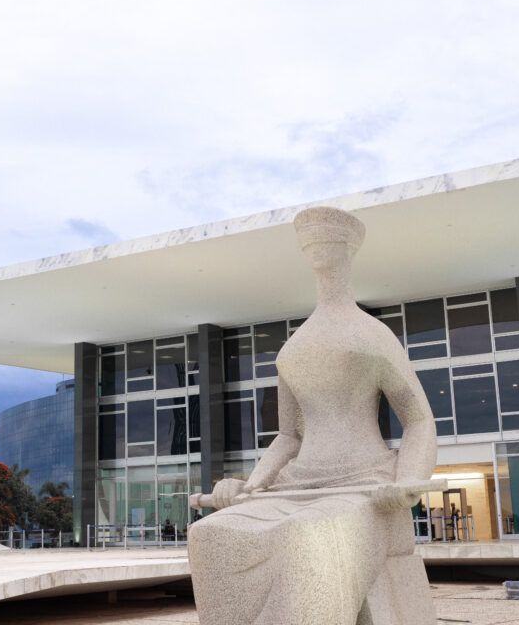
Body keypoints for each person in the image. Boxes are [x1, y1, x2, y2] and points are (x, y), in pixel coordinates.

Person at [187, 207, 438, 625]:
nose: (317, 248)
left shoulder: (373, 335)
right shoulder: (294, 349)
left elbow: (418, 419)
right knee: (211, 534)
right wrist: (249, 486)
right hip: (297, 483)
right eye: (309, 241)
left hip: (364, 481)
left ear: (348, 248)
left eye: (327, 239)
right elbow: (288, 437)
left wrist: (406, 482)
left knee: (306, 536)